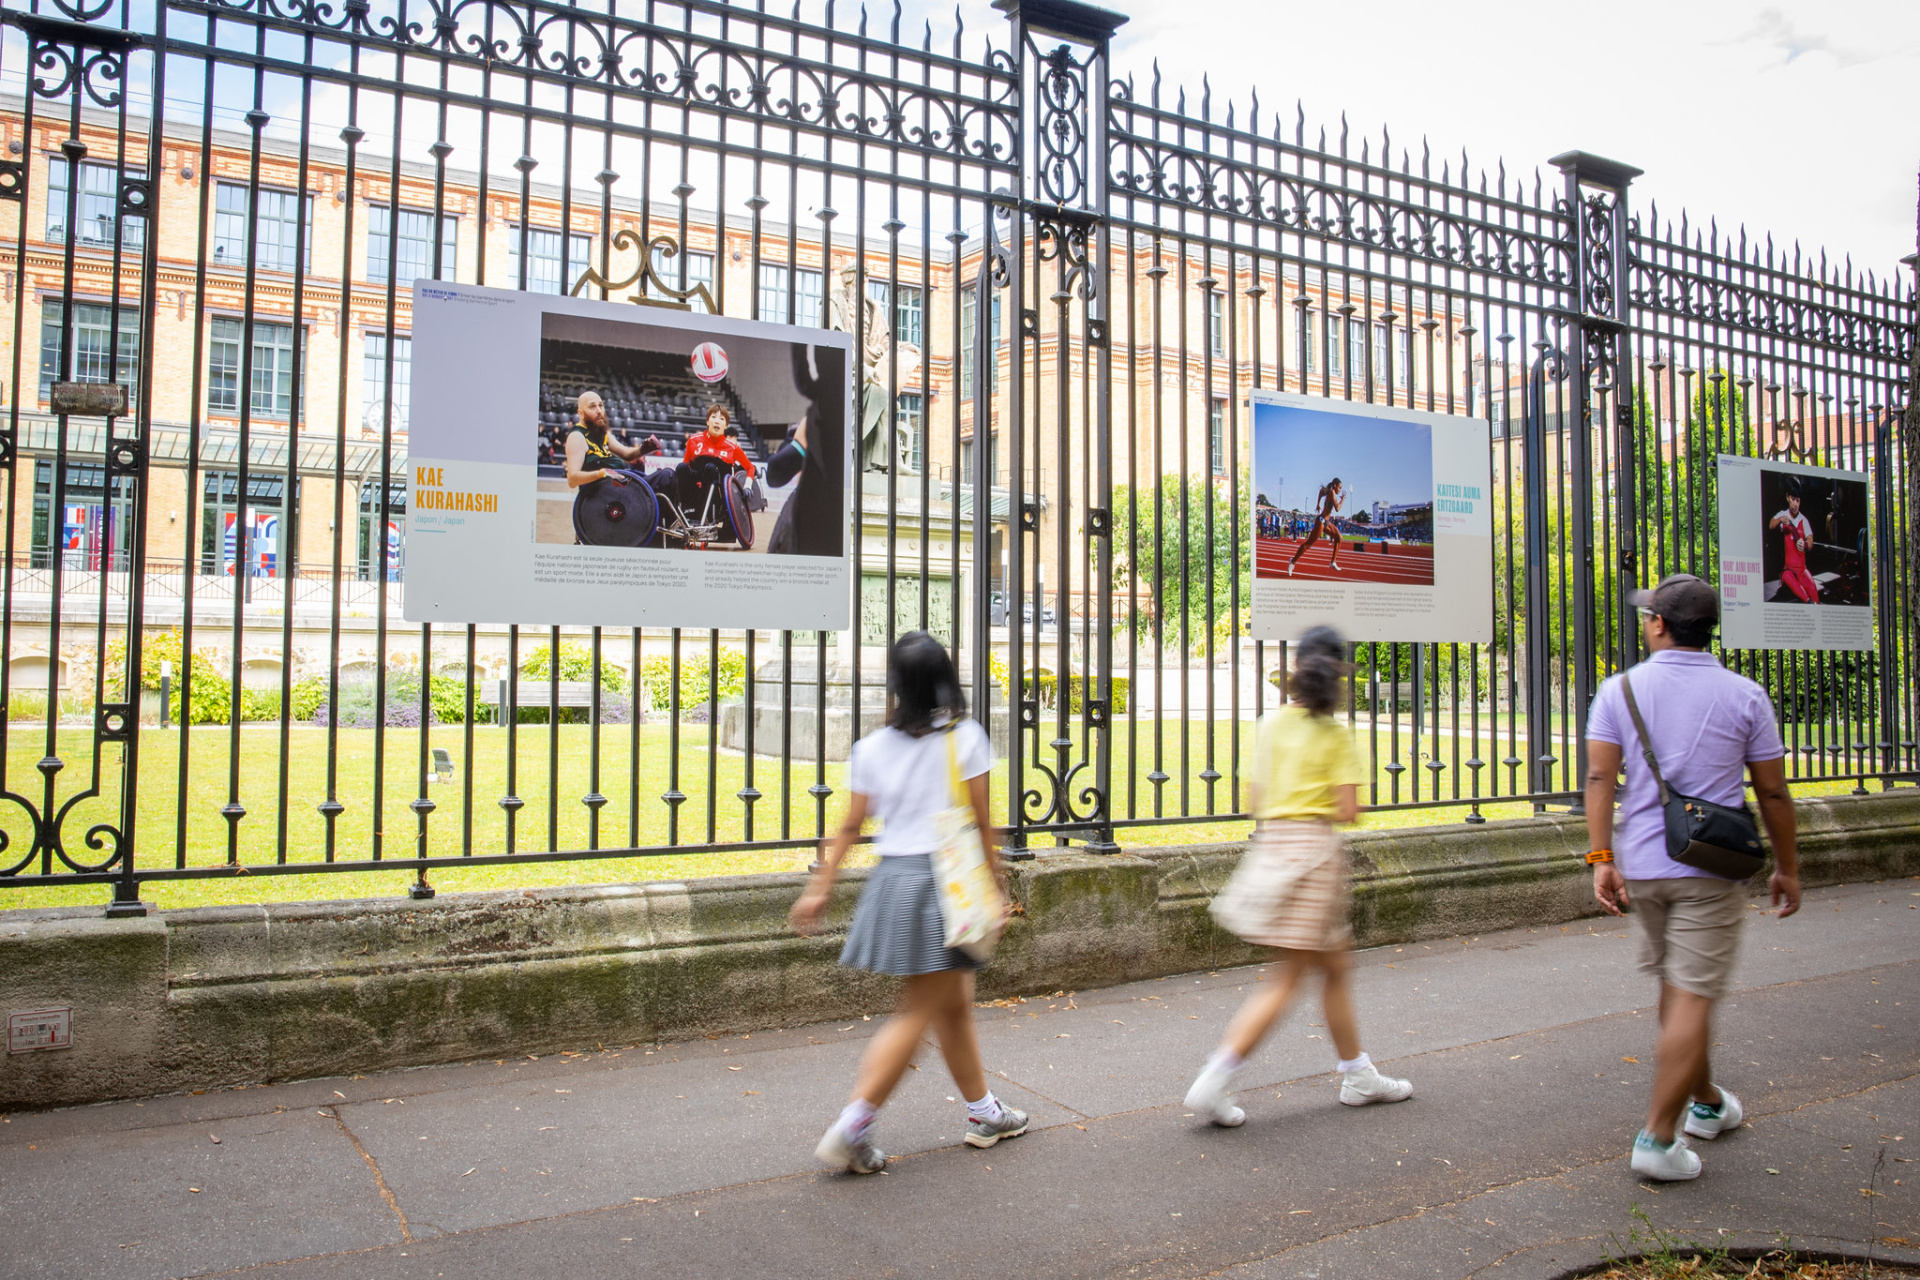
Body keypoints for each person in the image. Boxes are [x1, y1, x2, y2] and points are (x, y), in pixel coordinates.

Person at [1584, 572, 1801, 1182]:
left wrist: (1602, 860)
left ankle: (1706, 1102)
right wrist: (1786, 868)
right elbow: (1773, 792)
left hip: (1645, 866)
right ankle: (1656, 1140)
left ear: (1658, 624)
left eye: (1647, 616)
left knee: (1679, 994)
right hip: (1712, 869)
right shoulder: (1745, 695)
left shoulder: (1619, 691)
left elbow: (1601, 781)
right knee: (1691, 995)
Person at [789, 631, 1025, 1173]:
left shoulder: (871, 747)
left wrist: (820, 886)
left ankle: (984, 1111)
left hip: (895, 882)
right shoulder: (965, 739)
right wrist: (996, 888)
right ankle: (854, 1125)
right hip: (944, 885)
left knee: (953, 1002)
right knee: (918, 1013)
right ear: (945, 679)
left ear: (895, 685)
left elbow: (851, 824)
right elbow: (983, 825)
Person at [1183, 625, 1412, 1128]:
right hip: (1314, 856)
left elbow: (1256, 802)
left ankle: (1358, 1073)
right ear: (1338, 679)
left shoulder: (1269, 724)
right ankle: (1216, 1076)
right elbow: (1349, 809)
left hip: (1273, 847)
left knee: (1334, 968)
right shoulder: (1336, 733)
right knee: (1287, 978)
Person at [1768, 477, 1819, 603]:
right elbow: (1771, 525)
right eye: (1792, 499)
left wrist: (1806, 545)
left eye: (1798, 500)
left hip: (1802, 570)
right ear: (1787, 497)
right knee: (1787, 577)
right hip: (1789, 570)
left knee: (1813, 590)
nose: (1795, 504)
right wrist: (1780, 520)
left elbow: (1811, 540)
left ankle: (1814, 605)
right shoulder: (1782, 514)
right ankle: (1808, 602)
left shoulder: (1804, 520)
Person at [1287, 479, 1346, 576]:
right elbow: (1337, 508)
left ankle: (1333, 562)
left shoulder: (1329, 491)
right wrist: (1343, 499)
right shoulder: (1332, 492)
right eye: (1339, 487)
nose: (1340, 490)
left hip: (1326, 522)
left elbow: (1320, 491)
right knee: (1308, 545)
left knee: (1339, 537)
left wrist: (1318, 504)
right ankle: (1292, 561)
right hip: (1321, 521)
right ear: (1335, 485)